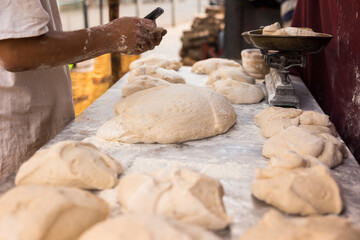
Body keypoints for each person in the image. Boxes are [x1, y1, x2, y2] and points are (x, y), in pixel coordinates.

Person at [0, 0, 166, 182]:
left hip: (33, 129)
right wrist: (112, 36)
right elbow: (16, 52)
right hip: (16, 138)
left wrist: (117, 36)